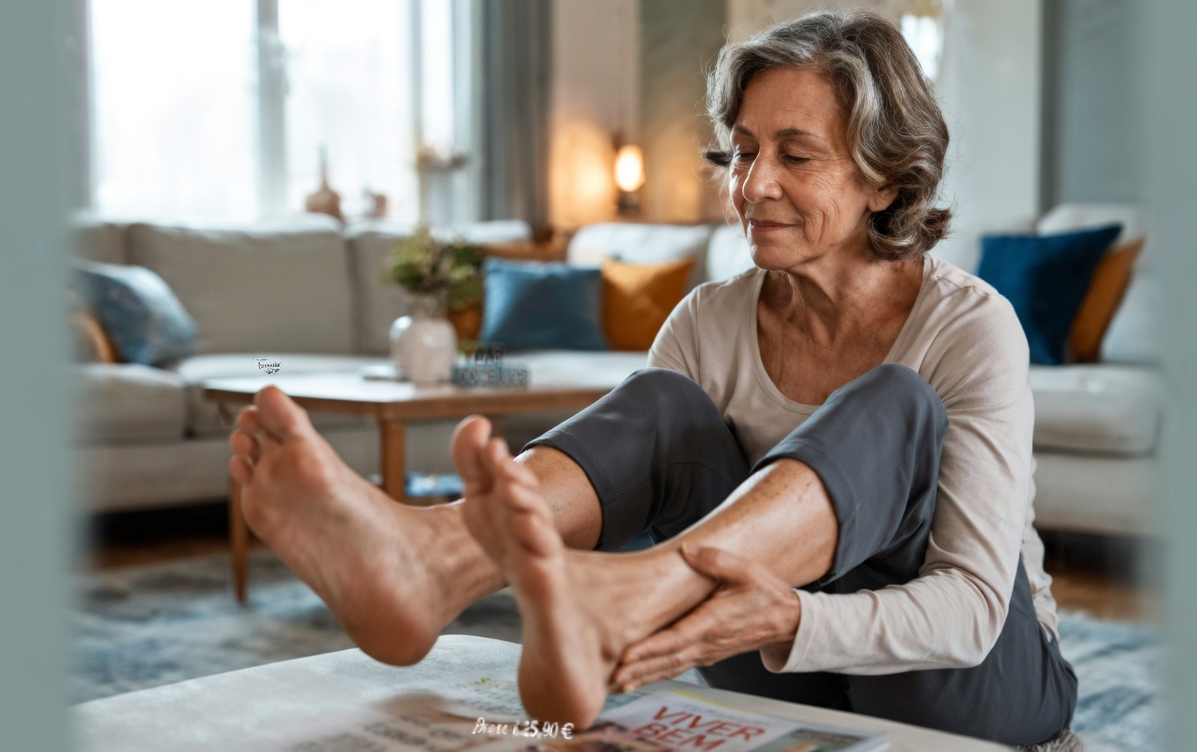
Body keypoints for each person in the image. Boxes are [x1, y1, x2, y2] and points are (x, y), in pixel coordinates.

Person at [226, 10, 1077, 747]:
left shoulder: (968, 325)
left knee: (897, 404)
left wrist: (788, 616)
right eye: (742, 151)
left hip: (965, 686)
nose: (753, 185)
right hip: (775, 667)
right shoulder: (709, 321)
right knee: (665, 404)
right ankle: (438, 557)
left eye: (795, 154)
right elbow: (650, 490)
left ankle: (635, 597)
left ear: (885, 177)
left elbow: (967, 614)